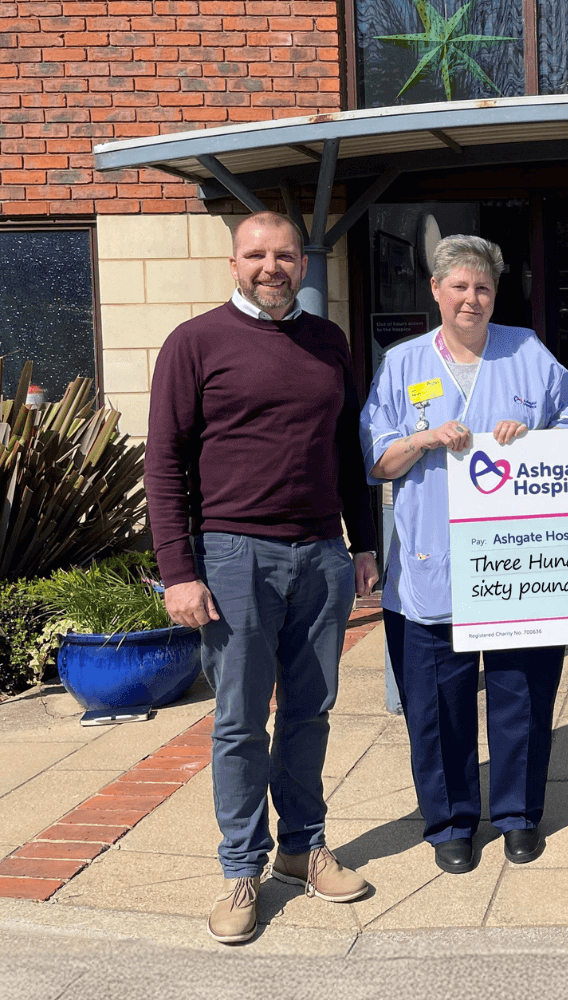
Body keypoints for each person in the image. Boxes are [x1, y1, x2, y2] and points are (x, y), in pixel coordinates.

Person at [145, 211, 380, 944]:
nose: (271, 266)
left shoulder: (329, 342)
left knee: (311, 713)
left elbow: (349, 450)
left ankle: (301, 850)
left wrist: (364, 542)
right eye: (257, 254)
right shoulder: (195, 343)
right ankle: (241, 869)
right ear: (233, 262)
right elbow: (163, 465)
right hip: (234, 557)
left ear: (303, 262)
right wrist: (179, 571)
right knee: (242, 721)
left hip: (320, 555)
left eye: (284, 254)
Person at [361, 235, 568, 876]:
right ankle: (451, 822)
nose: (471, 298)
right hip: (430, 571)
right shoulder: (402, 365)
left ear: (496, 294)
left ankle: (518, 816)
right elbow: (376, 460)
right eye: (458, 286)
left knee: (521, 698)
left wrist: (535, 437)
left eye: (482, 287)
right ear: (436, 291)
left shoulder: (529, 354)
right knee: (437, 710)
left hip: (518, 568)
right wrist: (425, 438)